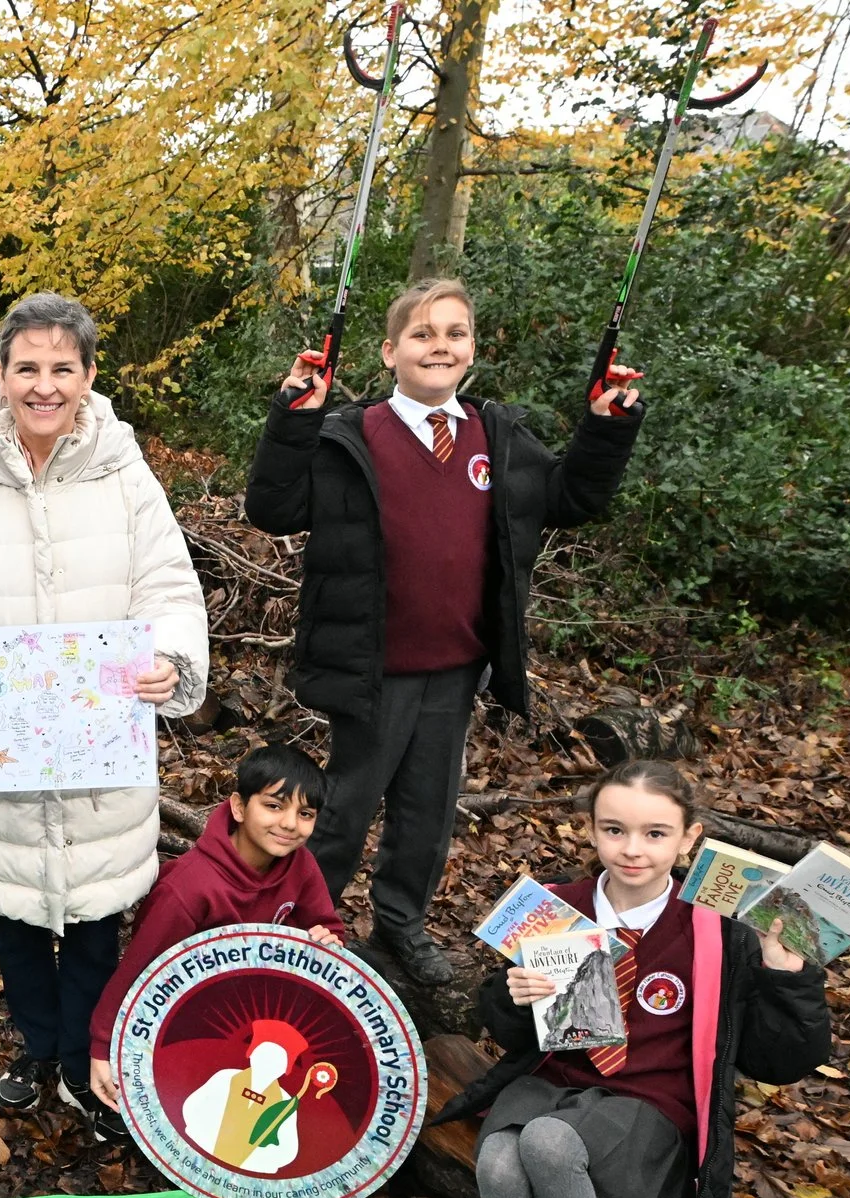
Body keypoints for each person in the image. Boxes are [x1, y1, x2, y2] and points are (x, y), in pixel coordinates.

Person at [244, 278, 647, 985]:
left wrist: (607, 426)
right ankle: (308, 927)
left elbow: (574, 497)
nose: (440, 345)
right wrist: (294, 417)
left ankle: (399, 924)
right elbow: (272, 507)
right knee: (342, 810)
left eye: (454, 333)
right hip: (370, 668)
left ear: (472, 351)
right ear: (389, 351)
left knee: (428, 813)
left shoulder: (498, 436)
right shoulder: (350, 436)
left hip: (456, 667)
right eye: (423, 334)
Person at [0, 291, 208, 1132]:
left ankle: (81, 1060)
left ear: (90, 377)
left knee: (97, 926)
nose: (44, 384)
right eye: (27, 367)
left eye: (63, 367)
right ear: (0, 376)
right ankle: (36, 1042)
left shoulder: (129, 480)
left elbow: (169, 588)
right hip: (3, 775)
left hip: (102, 772)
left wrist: (169, 662)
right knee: (18, 925)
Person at [441, 760, 831, 1198]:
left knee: (545, 1144)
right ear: (592, 829)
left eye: (655, 833)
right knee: (504, 1156)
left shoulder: (716, 929)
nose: (632, 848)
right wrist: (513, 997)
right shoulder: (557, 906)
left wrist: (785, 973)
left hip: (648, 1108)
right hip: (554, 1080)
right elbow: (510, 1029)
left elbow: (780, 1059)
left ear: (689, 838)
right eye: (614, 829)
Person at [85, 743, 346, 1117]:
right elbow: (138, 970)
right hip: (186, 1015)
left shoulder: (300, 865)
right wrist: (102, 1045)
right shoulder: (188, 891)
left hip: (260, 1011)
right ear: (239, 807)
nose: (290, 823)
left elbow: (326, 925)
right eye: (274, 806)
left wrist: (328, 940)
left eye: (305, 813)